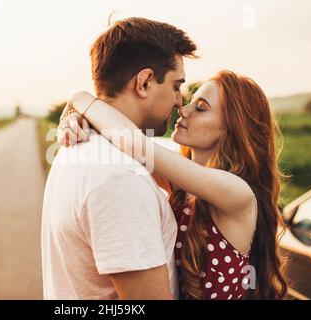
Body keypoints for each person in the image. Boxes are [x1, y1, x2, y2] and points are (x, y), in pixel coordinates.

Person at [59, 70, 288, 300]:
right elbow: (120, 142)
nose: (183, 109)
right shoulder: (183, 187)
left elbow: (134, 143)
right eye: (190, 103)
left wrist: (81, 99)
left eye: (200, 108)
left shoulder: (237, 192)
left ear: (232, 127)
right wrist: (80, 120)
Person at [41, 17, 197, 299]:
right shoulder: (120, 179)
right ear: (145, 82)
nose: (179, 101)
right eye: (176, 86)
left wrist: (82, 102)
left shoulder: (77, 147)